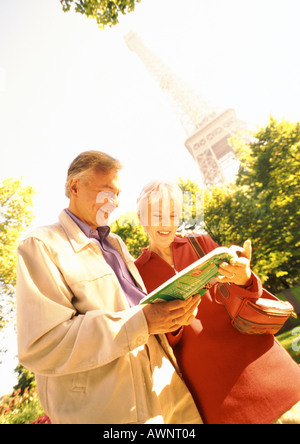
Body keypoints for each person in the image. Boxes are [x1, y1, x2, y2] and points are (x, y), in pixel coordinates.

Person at [16, 151, 202, 424]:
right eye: (105, 193)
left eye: (117, 194)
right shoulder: (41, 245)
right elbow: (41, 344)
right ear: (74, 187)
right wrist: (142, 321)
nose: (113, 203)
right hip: (112, 410)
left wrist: (170, 318)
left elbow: (137, 314)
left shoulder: (115, 244)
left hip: (168, 395)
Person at [134, 180, 300, 425]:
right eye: (156, 215)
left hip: (262, 366)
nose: (165, 223)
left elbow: (243, 298)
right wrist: (175, 322)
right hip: (213, 389)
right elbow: (155, 336)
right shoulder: (136, 273)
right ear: (140, 217)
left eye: (172, 215)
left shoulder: (200, 244)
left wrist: (244, 279)